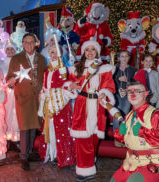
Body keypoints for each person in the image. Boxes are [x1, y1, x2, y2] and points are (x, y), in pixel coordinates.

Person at [111, 69, 159, 182]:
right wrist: (120, 133)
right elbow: (125, 139)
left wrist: (144, 131)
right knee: (114, 180)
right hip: (131, 163)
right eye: (129, 91)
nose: (132, 94)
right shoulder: (129, 115)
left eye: (137, 91)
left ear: (146, 93)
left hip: (154, 162)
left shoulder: (155, 114)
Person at [68, 39, 115, 182]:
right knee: (83, 138)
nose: (89, 52)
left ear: (97, 52)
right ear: (83, 53)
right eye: (87, 50)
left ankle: (89, 160)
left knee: (94, 139)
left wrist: (105, 93)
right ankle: (84, 169)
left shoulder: (105, 69)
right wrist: (71, 86)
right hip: (82, 106)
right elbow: (70, 85)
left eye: (92, 49)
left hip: (98, 106)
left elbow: (109, 86)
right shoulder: (76, 69)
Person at [6, 33, 47, 170]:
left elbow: (45, 76)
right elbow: (9, 77)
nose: (29, 44)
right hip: (23, 96)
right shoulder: (16, 58)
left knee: (34, 124)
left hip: (37, 97)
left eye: (31, 42)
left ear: (36, 43)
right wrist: (10, 82)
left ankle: (29, 153)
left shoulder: (41, 59)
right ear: (22, 44)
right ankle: (24, 156)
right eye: (26, 42)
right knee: (24, 126)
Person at [37, 44, 76, 167]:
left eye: (56, 52)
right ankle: (52, 153)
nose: (54, 55)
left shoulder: (64, 70)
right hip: (49, 105)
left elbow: (66, 87)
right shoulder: (47, 71)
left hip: (61, 106)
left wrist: (52, 93)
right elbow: (45, 86)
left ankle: (62, 155)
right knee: (50, 129)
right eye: (52, 52)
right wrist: (43, 95)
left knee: (61, 131)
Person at [0, 40, 20, 150]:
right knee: (6, 114)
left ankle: (16, 136)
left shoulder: (19, 64)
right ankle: (6, 137)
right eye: (8, 49)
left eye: (12, 49)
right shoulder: (1, 65)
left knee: (16, 114)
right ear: (5, 51)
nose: (10, 51)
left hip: (16, 92)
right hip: (6, 94)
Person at [113, 50, 137, 147]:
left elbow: (136, 82)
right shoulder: (114, 69)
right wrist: (118, 79)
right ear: (118, 58)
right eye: (122, 56)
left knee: (125, 116)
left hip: (127, 95)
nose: (124, 58)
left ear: (129, 58)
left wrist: (129, 82)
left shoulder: (133, 70)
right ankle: (116, 138)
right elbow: (109, 81)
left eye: (126, 56)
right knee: (116, 115)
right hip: (116, 94)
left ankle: (122, 137)